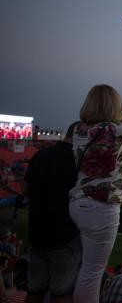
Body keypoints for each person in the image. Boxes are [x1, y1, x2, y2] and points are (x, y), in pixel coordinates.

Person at [69, 85, 122, 303]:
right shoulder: (117, 131)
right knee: (92, 272)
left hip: (78, 203)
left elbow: (113, 126)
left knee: (85, 268)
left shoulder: (78, 129)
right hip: (102, 207)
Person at [25, 122, 82, 303]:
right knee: (62, 293)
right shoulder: (77, 161)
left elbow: (24, 190)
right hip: (65, 237)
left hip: (36, 233)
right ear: (80, 136)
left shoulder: (40, 155)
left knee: (34, 290)